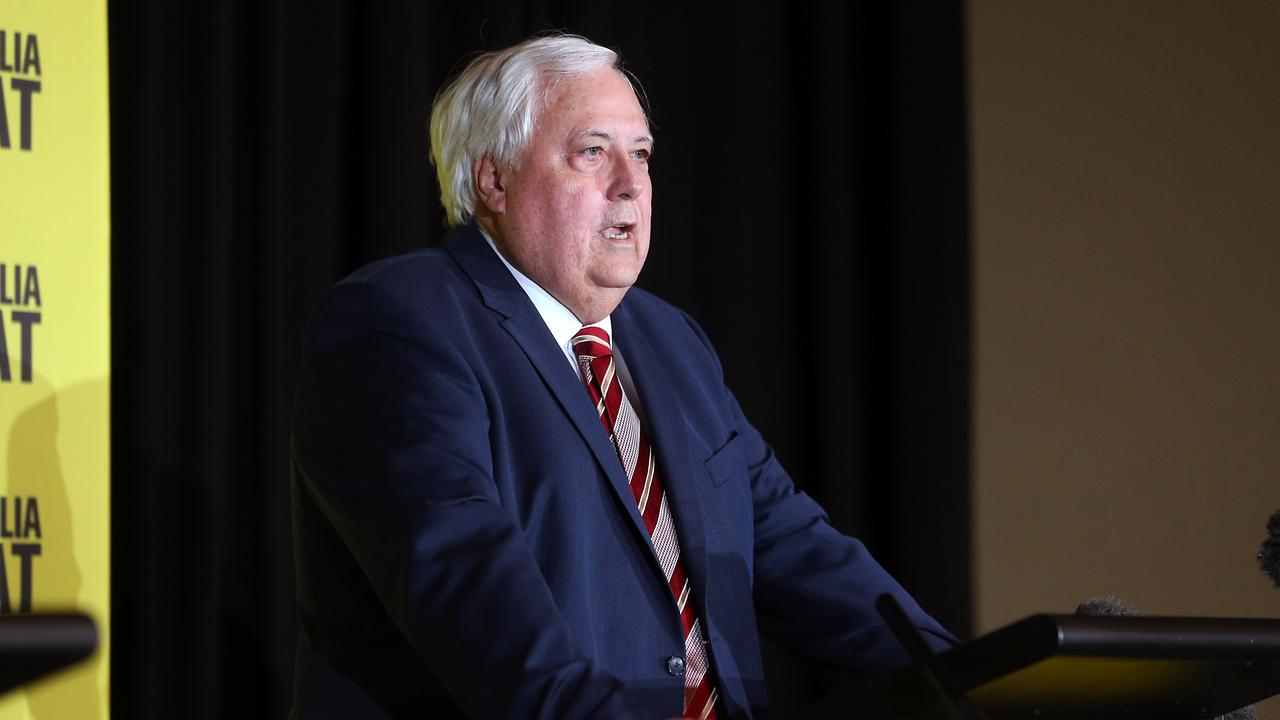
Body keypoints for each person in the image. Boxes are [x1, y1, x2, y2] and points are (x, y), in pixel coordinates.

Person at [290, 33, 955, 720]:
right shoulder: (401, 324)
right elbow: (465, 584)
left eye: (641, 155)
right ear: (493, 179)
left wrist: (970, 683)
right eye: (593, 152)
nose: (632, 185)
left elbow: (794, 548)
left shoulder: (671, 343)